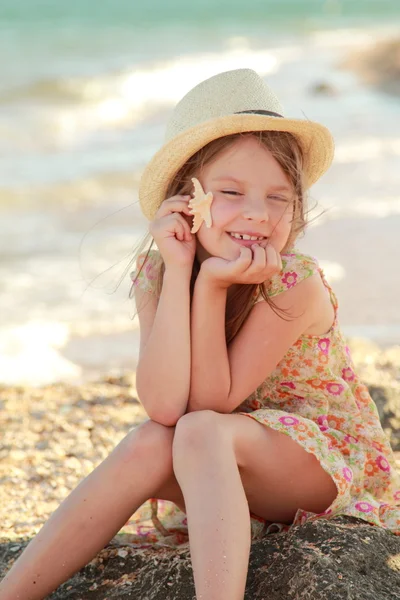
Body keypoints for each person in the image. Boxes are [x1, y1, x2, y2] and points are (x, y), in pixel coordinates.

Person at [1, 68, 399, 600]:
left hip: (319, 464)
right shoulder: (160, 269)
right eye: (230, 191)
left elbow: (212, 404)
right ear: (186, 196)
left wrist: (211, 287)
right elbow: (165, 406)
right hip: (220, 456)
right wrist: (183, 270)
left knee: (201, 431)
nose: (257, 213)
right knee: (148, 442)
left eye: (278, 198)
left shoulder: (293, 283)